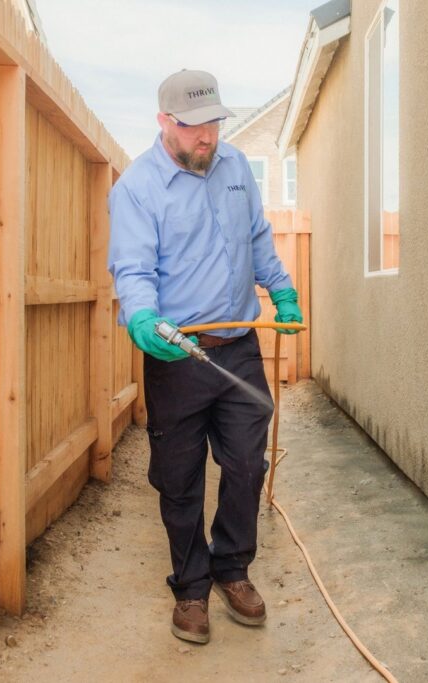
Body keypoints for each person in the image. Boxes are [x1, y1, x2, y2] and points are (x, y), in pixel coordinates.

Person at [107, 69, 303, 644]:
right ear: (164, 121)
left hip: (238, 346)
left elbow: (257, 237)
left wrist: (281, 290)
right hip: (177, 356)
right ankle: (191, 586)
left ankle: (232, 568)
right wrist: (141, 317)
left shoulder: (236, 167)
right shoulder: (137, 188)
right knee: (179, 477)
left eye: (214, 123)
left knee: (246, 463)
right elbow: (133, 269)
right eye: (194, 126)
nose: (208, 136)